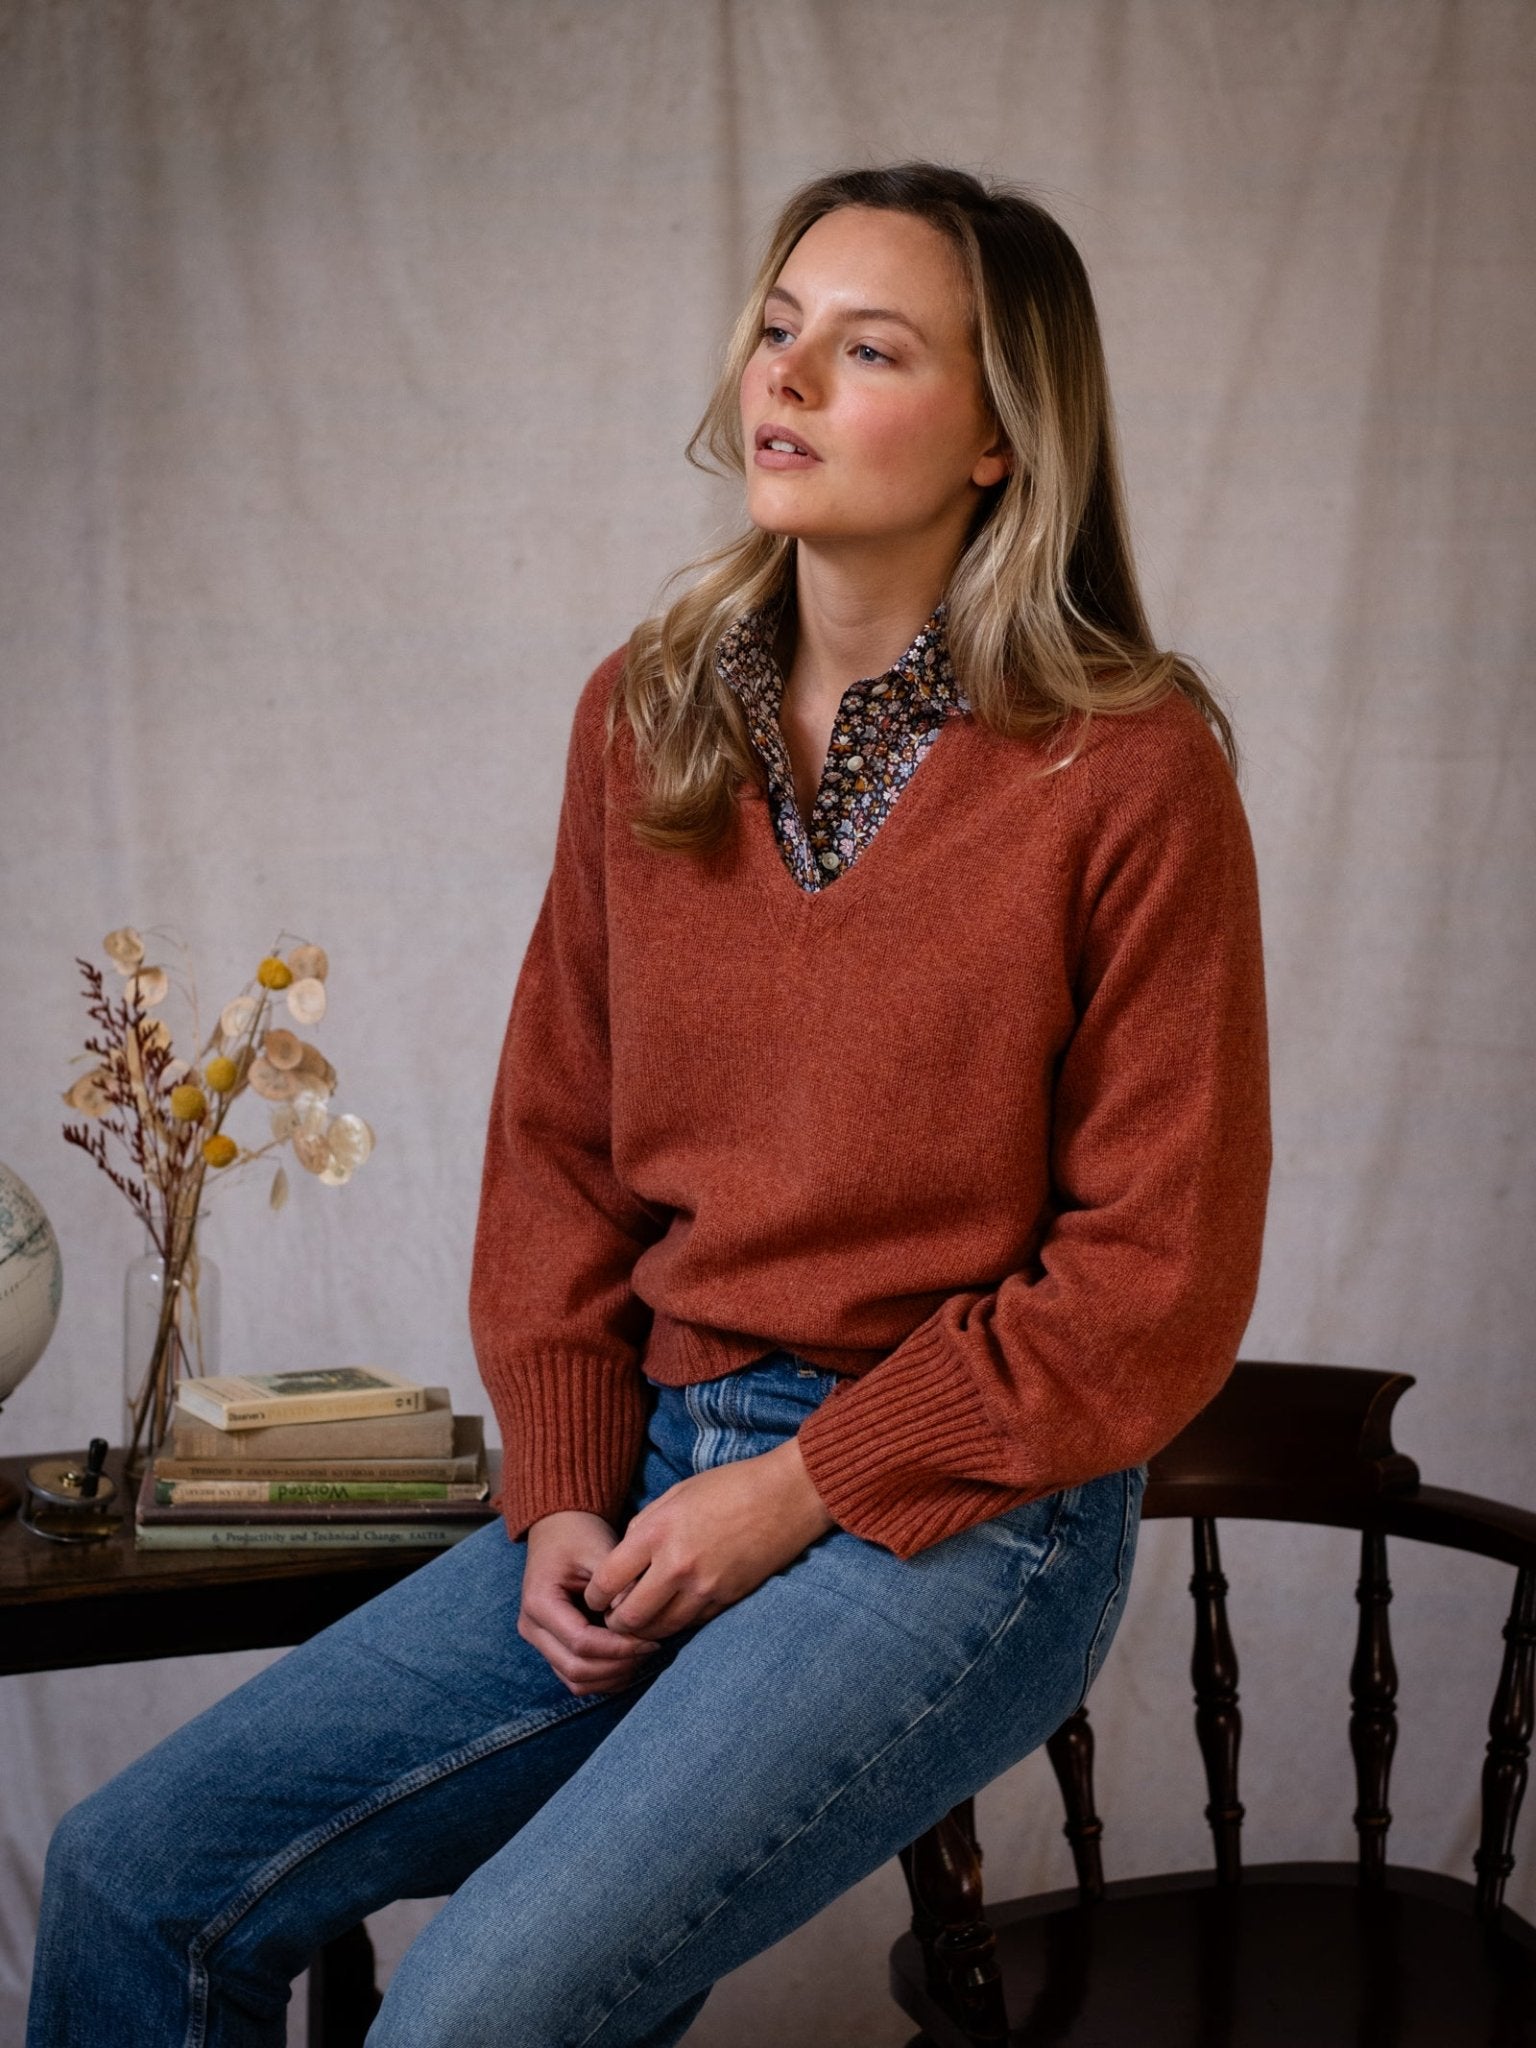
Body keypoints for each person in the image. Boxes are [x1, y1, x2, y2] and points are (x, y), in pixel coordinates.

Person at [28, 161, 1270, 2048]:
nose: (787, 378)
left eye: (867, 349)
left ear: (1004, 438)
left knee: (468, 2019)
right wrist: (553, 1497)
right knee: (136, 1878)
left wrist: (799, 1490)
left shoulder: (1129, 765)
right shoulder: (649, 712)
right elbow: (556, 1150)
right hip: (652, 1472)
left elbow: (1154, 1276)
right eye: (778, 329)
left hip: (963, 1516)